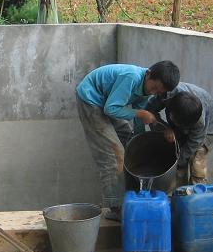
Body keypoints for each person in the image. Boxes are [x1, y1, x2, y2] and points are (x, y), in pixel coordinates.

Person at [76, 61, 180, 221]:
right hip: (91, 100)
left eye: (159, 92)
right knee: (114, 153)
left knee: (128, 136)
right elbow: (111, 109)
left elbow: (137, 122)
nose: (154, 92)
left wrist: (139, 140)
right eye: (154, 88)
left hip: (107, 100)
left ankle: (130, 185)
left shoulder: (146, 87)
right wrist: (141, 113)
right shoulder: (131, 77)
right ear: (149, 73)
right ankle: (115, 207)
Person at [143, 82, 213, 186]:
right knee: (177, 166)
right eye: (175, 121)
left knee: (197, 164)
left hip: (206, 132)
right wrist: (164, 129)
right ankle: (179, 193)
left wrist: (178, 161)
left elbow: (195, 142)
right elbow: (149, 111)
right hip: (179, 126)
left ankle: (198, 195)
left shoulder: (199, 121)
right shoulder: (166, 94)